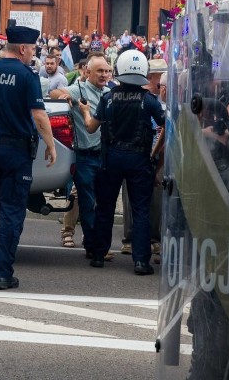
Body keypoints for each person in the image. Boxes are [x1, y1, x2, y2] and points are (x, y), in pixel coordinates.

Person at [0, 25, 56, 290]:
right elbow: (39, 116)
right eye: (33, 49)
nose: (33, 54)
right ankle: (3, 272)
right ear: (23, 48)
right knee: (12, 212)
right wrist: (50, 145)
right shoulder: (27, 76)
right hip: (16, 153)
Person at [79, 49, 165, 275]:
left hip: (111, 159)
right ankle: (140, 261)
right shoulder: (149, 100)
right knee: (141, 210)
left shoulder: (108, 98)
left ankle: (98, 255)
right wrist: (155, 154)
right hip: (139, 161)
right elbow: (167, 125)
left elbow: (91, 127)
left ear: (118, 70)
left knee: (105, 207)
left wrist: (86, 112)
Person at [50, 53, 111, 256]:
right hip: (84, 156)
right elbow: (54, 93)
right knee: (87, 201)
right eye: (100, 71)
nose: (104, 75)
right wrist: (63, 96)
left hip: (104, 156)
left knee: (102, 202)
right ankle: (93, 247)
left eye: (107, 71)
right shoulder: (79, 89)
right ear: (87, 72)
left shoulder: (109, 93)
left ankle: (96, 244)